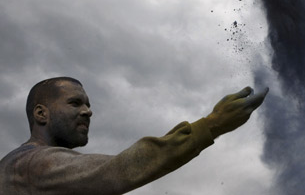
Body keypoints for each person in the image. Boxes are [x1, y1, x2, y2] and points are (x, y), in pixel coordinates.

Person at [0, 77, 268, 195]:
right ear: (41, 114)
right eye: (75, 103)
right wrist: (212, 124)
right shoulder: (29, 166)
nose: (88, 112)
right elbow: (118, 169)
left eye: (88, 105)